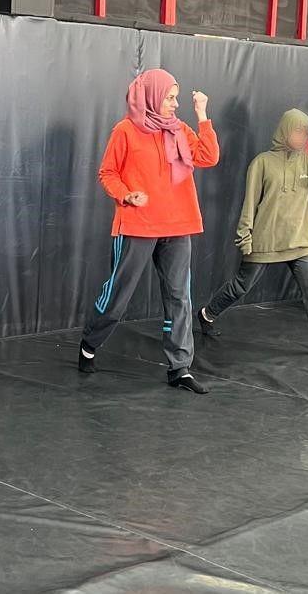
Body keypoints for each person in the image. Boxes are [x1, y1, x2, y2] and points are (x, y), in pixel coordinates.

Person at [77, 68, 219, 394]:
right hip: (137, 225)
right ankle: (90, 341)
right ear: (152, 95)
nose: (175, 103)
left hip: (178, 224)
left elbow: (209, 156)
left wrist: (202, 115)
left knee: (179, 297)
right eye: (170, 97)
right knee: (118, 297)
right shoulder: (125, 130)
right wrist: (126, 194)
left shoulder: (180, 128)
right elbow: (107, 173)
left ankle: (180, 367)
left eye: (176, 97)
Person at [196, 109, 308, 359]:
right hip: (266, 240)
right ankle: (207, 314)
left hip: (302, 241)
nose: (303, 136)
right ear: (285, 131)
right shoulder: (262, 162)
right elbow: (250, 202)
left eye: (306, 132)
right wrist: (245, 235)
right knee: (241, 286)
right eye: (298, 131)